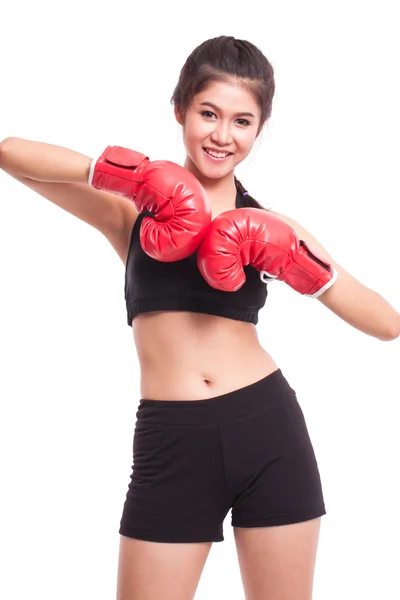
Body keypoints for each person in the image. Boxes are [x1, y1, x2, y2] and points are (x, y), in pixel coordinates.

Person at [1, 35, 399, 600]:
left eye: (242, 121)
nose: (222, 135)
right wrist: (126, 175)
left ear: (259, 131)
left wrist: (301, 265)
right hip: (172, 439)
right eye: (208, 113)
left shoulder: (272, 226)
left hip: (268, 430)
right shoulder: (133, 210)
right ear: (179, 110)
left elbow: (387, 323)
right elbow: (11, 153)